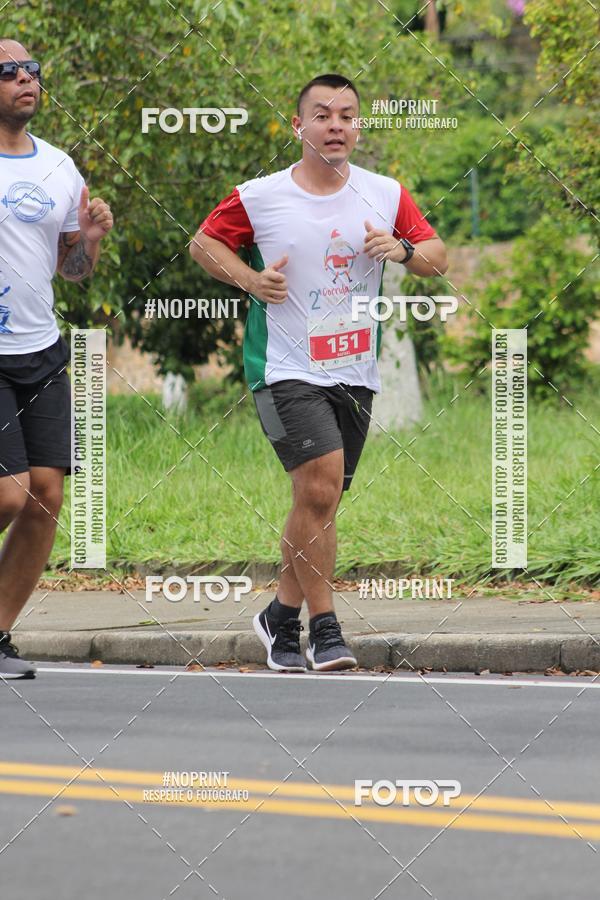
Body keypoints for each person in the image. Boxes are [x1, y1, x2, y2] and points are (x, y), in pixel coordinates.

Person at [190, 73, 447, 672]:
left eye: (348, 116)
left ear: (358, 127)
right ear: (298, 125)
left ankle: (278, 618)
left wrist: (403, 251)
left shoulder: (384, 193)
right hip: (283, 365)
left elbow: (438, 258)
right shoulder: (259, 195)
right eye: (324, 115)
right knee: (319, 484)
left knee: (320, 502)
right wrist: (251, 280)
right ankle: (325, 630)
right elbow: (203, 245)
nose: (337, 126)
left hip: (354, 369)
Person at [0, 39, 113, 678]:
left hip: (40, 349)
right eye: (8, 71)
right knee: (8, 495)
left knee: (45, 497)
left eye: (32, 70)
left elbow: (72, 271)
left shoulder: (60, 168)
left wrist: (90, 240)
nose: (24, 78)